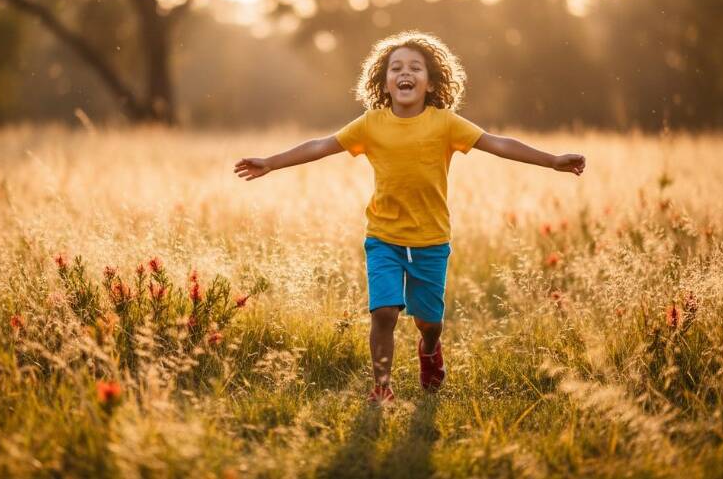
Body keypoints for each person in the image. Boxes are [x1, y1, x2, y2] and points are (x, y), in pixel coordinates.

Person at [234, 30, 586, 405]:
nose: (405, 73)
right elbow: (321, 146)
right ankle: (382, 387)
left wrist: (551, 161)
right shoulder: (370, 124)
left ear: (430, 82)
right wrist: (270, 163)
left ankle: (430, 349)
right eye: (396, 67)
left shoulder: (446, 123)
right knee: (383, 312)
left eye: (415, 68)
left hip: (431, 240)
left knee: (429, 321)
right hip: (383, 237)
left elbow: (497, 143)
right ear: (384, 82)